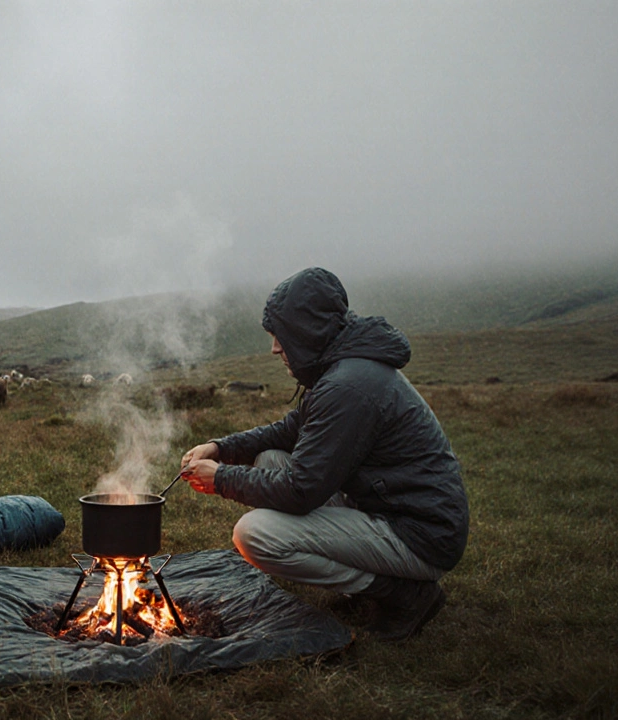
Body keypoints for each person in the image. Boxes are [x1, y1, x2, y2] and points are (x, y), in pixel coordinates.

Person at [180, 267, 468, 642]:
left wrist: (220, 479)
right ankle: (367, 584)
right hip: (389, 507)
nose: (275, 349)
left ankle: (406, 594)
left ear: (306, 331)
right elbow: (287, 432)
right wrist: (220, 448)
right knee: (269, 457)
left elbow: (302, 491)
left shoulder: (349, 386)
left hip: (421, 534)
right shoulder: (342, 368)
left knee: (255, 536)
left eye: (280, 337)